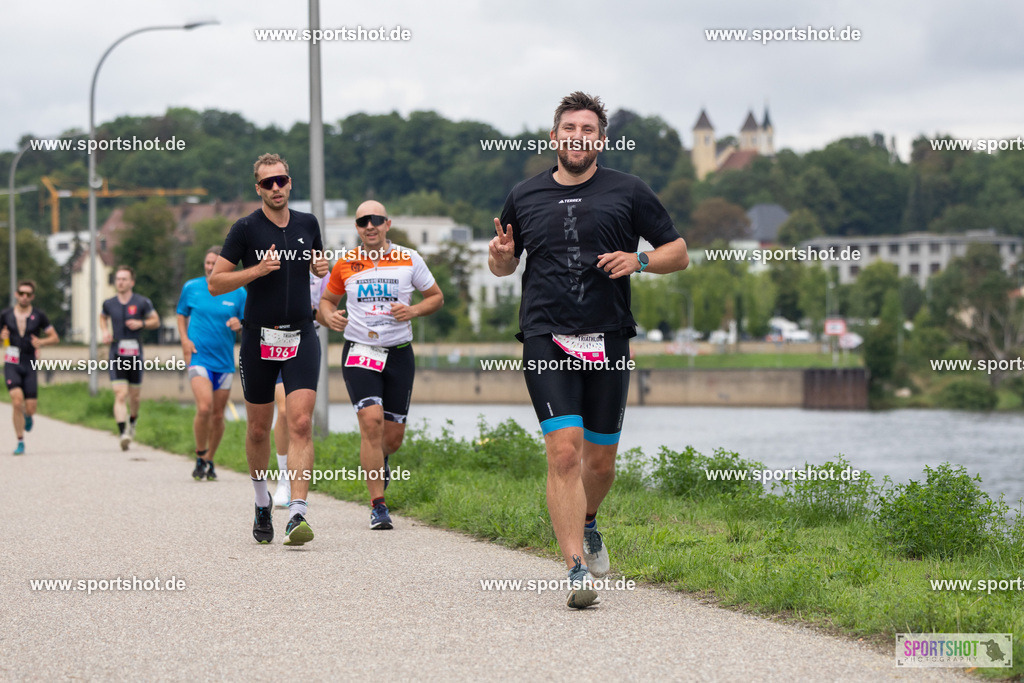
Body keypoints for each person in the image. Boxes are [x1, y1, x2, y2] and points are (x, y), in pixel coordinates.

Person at [489, 92, 689, 608]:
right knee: (563, 451)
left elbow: (679, 253)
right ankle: (576, 567)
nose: (578, 137)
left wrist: (639, 262)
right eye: (569, 128)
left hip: (608, 336)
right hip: (545, 334)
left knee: (599, 463)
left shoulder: (629, 190)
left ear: (601, 139)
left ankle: (590, 519)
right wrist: (500, 258)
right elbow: (505, 268)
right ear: (554, 137)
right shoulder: (523, 196)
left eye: (588, 129)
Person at [208, 153, 329, 546]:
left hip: (301, 336)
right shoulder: (245, 229)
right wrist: (256, 271)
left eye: (281, 180)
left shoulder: (308, 224)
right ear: (257, 187)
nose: (276, 188)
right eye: (267, 183)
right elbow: (216, 282)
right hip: (259, 337)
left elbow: (315, 262)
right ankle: (262, 501)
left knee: (300, 423)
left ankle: (297, 514)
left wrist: (320, 267)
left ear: (290, 182)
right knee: (259, 429)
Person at [320, 200, 443, 529]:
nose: (369, 225)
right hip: (360, 350)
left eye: (375, 220)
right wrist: (328, 315)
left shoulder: (409, 258)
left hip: (399, 352)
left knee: (392, 438)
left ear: (387, 223)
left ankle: (382, 458)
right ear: (357, 228)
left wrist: (413, 311)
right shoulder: (346, 262)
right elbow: (326, 302)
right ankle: (378, 505)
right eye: (362, 221)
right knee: (370, 422)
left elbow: (436, 297)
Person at [177, 246, 246, 481]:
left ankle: (209, 459)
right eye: (207, 263)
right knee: (204, 407)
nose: (209, 267)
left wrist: (240, 324)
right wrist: (185, 340)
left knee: (218, 415)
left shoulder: (238, 292)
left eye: (214, 263)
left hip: (224, 361)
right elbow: (180, 313)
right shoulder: (192, 287)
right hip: (199, 357)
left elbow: (247, 322)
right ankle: (199, 453)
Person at [271, 270, 329, 508]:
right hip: (273, 340)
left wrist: (327, 316)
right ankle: (283, 477)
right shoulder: (274, 258)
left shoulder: (322, 272)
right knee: (284, 411)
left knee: (301, 418)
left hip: (305, 344)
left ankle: (297, 486)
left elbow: (327, 311)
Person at [100, 266, 160, 451]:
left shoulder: (142, 302)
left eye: (124, 279)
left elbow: (155, 321)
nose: (120, 282)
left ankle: (132, 422)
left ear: (132, 282)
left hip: (135, 352)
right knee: (120, 394)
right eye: (118, 279)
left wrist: (141, 323)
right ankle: (122, 433)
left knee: (134, 397)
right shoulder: (109, 303)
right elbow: (102, 318)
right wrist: (105, 331)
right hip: (116, 351)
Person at [2, 280, 59, 454]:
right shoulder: (5, 315)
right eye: (21, 293)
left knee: (31, 407)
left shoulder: (39, 315)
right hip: (12, 361)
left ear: (32, 296)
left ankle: (28, 416)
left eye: (28, 294)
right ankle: (20, 441)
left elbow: (55, 338)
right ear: (16, 294)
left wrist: (41, 341)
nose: (24, 297)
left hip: (29, 362)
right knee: (16, 401)